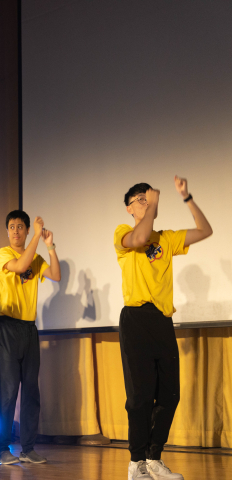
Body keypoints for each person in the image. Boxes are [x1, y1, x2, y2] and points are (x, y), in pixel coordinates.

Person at [115, 176, 212, 480]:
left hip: (161, 321)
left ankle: (154, 458)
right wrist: (153, 206)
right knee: (140, 397)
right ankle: (136, 463)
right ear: (130, 208)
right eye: (140, 200)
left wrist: (186, 197)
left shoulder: (167, 239)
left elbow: (205, 230)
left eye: (149, 198)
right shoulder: (123, 232)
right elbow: (141, 238)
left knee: (170, 395)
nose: (146, 203)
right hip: (135, 319)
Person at [0, 210, 60, 465]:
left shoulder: (36, 257)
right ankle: (3, 450)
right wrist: (35, 237)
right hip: (7, 329)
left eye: (20, 227)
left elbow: (56, 275)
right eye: (12, 227)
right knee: (8, 392)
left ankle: (28, 448)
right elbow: (21, 266)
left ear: (26, 229)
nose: (16, 231)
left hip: (29, 330)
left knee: (31, 391)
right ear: (7, 231)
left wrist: (50, 246)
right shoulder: (3, 254)